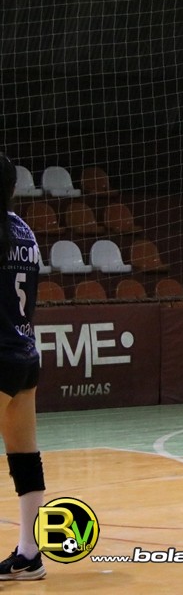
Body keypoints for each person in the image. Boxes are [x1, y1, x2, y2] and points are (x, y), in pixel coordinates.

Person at [0, 154, 47, 580]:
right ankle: (30, 555)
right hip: (25, 355)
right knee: (25, 457)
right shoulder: (24, 230)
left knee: (24, 457)